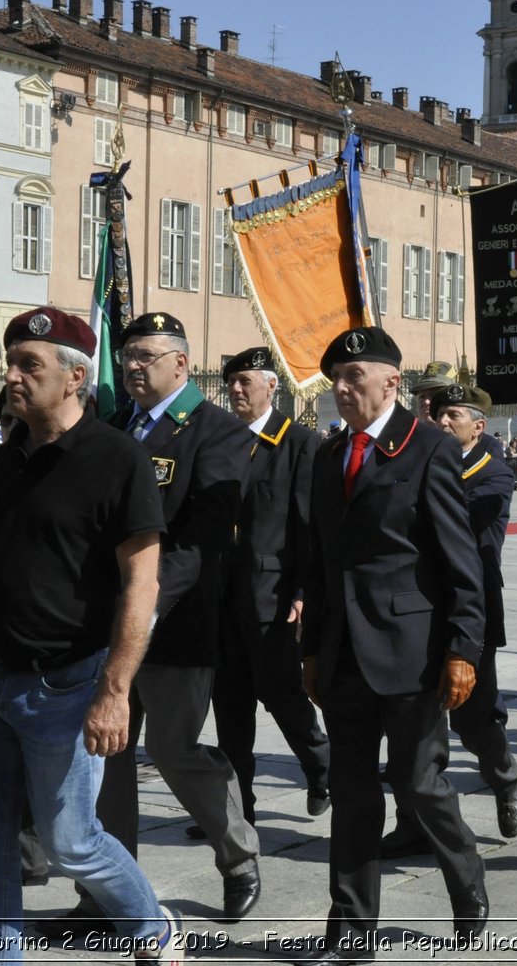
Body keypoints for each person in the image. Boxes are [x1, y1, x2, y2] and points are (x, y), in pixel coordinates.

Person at [0, 307, 182, 964]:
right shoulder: (10, 452)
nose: (11, 376)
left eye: (29, 365)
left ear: (75, 377)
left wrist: (115, 692)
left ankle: (151, 928)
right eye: (10, 362)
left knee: (70, 841)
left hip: (67, 685)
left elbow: (141, 585)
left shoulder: (117, 459)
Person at [61, 311, 260, 933]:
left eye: (146, 355)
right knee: (106, 754)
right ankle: (109, 889)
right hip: (104, 624)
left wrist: (144, 607)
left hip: (172, 625)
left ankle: (239, 857)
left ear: (181, 361)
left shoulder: (216, 431)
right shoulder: (113, 426)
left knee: (174, 750)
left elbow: (200, 543)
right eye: (128, 357)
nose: (133, 366)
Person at [298, 326, 488, 963]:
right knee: (352, 793)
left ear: (391, 382)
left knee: (419, 784)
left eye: (356, 378)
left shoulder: (429, 448)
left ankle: (467, 882)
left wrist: (464, 649)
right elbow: (323, 560)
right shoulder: (329, 456)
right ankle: (351, 929)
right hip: (345, 653)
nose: (343, 390)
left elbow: (460, 561)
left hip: (413, 650)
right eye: (337, 380)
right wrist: (313, 650)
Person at [377, 382, 517, 849]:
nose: (442, 422)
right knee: (412, 723)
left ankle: (505, 779)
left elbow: (454, 520)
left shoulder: (494, 474)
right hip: (418, 608)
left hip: (469, 611)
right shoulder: (414, 461)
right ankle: (412, 823)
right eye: (438, 415)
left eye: (453, 417)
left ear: (478, 427)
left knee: (473, 717)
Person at [212, 346, 332, 830]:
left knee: (280, 692)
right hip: (220, 596)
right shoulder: (218, 440)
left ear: (270, 386)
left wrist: (304, 590)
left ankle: (322, 767)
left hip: (273, 596)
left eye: (246, 381)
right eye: (231, 383)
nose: (237, 390)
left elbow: (309, 526)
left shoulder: (300, 443)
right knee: (229, 703)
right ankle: (239, 809)